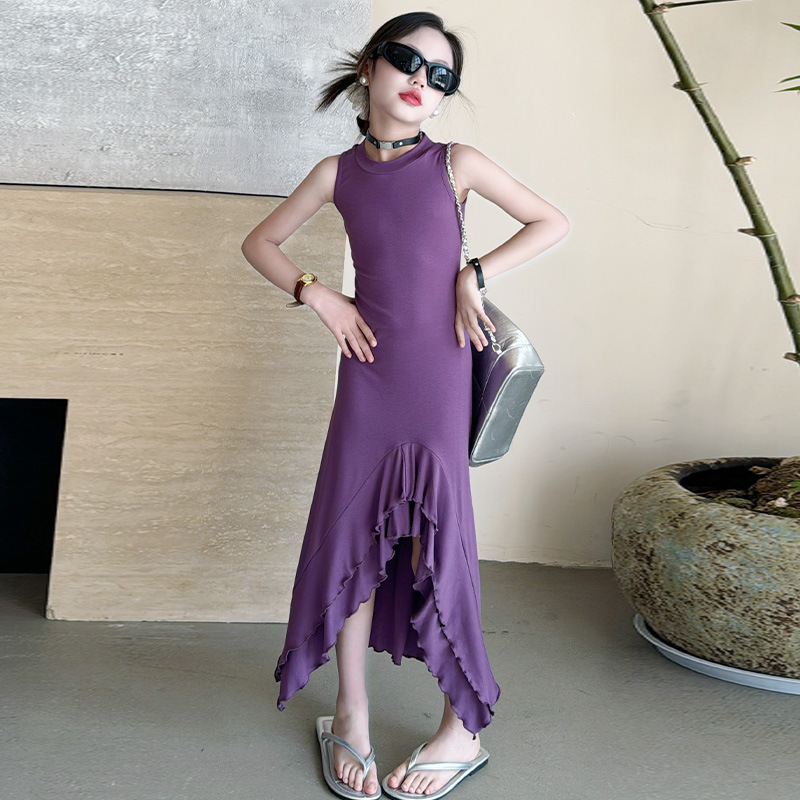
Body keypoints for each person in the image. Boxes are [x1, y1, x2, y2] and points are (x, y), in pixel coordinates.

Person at [241, 11, 569, 799]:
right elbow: (260, 243)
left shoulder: (456, 163)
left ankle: (462, 728)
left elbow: (551, 221)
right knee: (352, 534)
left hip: (438, 376)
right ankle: (350, 713)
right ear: (369, 66)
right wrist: (319, 295)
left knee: (434, 542)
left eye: (441, 76)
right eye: (407, 61)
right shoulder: (336, 173)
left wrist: (473, 274)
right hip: (368, 373)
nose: (423, 81)